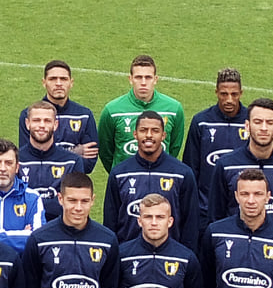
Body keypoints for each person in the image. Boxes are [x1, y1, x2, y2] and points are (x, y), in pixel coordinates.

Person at [203, 99, 273, 232]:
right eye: (258, 122)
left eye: (269, 122)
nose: (264, 128)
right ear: (247, 126)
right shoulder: (226, 165)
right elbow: (215, 218)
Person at [103, 111, 202, 250]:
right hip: (128, 257)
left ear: (163, 136)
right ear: (135, 134)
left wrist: (185, 255)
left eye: (155, 131)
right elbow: (110, 222)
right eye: (143, 130)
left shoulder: (182, 174)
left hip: (170, 258)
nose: (149, 135)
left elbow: (190, 222)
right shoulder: (119, 173)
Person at [97, 55, 185, 171]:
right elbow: (105, 151)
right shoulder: (112, 110)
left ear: (155, 79)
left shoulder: (174, 109)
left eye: (148, 77)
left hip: (160, 178)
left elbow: (174, 148)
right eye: (138, 77)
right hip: (125, 180)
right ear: (130, 79)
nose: (143, 82)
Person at [16, 101, 82, 227]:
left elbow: (73, 202)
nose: (42, 125)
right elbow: (12, 200)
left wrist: (33, 204)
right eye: (36, 120)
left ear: (55, 124)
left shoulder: (72, 162)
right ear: (27, 124)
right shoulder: (15, 160)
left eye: (47, 121)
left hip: (61, 232)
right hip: (24, 230)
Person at [183, 69, 249, 186]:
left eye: (234, 94)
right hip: (206, 202)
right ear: (216, 92)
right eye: (224, 94)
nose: (229, 100)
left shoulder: (251, 121)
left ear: (241, 93)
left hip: (242, 200)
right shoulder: (201, 122)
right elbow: (191, 165)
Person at [0, 140, 43, 251]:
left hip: (20, 267)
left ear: (17, 167)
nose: (2, 169)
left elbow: (37, 239)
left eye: (8, 163)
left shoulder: (32, 198)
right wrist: (22, 234)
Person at [40, 60, 99, 173]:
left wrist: (49, 156)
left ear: (71, 82)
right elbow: (30, 158)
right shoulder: (30, 115)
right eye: (53, 79)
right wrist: (74, 152)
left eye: (63, 79)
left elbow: (88, 164)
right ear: (44, 82)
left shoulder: (84, 115)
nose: (58, 83)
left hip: (74, 185)